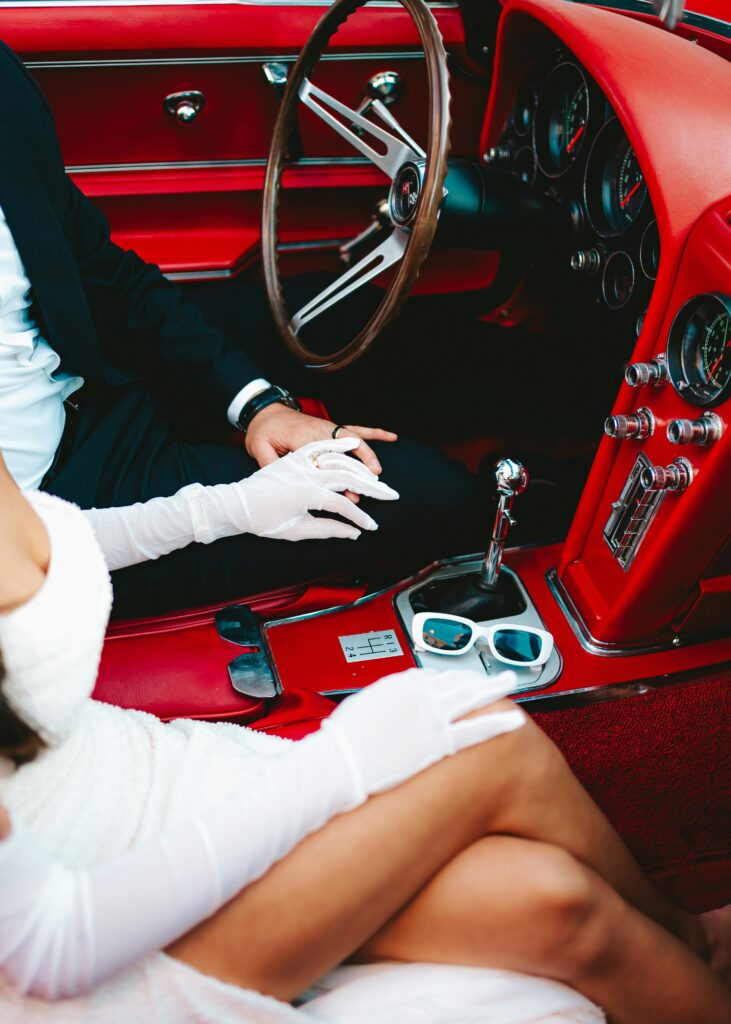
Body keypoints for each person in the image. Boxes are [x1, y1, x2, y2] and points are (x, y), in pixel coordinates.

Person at [0, 453, 729, 1024]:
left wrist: (223, 509)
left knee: (549, 891)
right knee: (497, 760)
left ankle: (689, 940)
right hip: (80, 945)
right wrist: (336, 766)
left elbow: (40, 531)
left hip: (141, 775)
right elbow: (51, 946)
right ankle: (692, 940)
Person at [0, 38, 485, 620]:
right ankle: (531, 523)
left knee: (331, 319)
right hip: (68, 516)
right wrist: (230, 508)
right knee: (429, 493)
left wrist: (260, 406)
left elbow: (100, 271)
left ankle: (574, 400)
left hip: (89, 379)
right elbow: (22, 559)